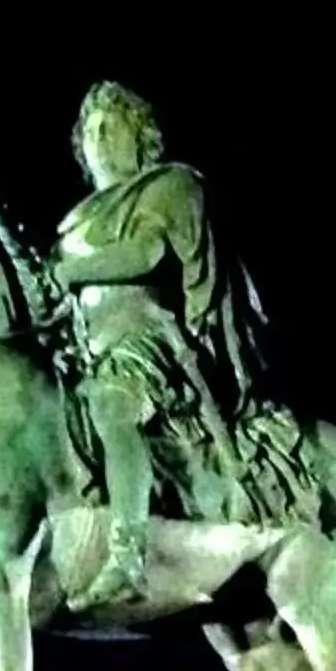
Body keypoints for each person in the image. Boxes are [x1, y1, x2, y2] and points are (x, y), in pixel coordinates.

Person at [48, 82, 314, 608]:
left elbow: (148, 253)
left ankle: (127, 556)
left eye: (112, 126)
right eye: (91, 130)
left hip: (147, 337)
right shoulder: (74, 220)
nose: (99, 138)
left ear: (141, 136)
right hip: (81, 347)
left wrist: (67, 270)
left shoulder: (170, 184)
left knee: (111, 406)